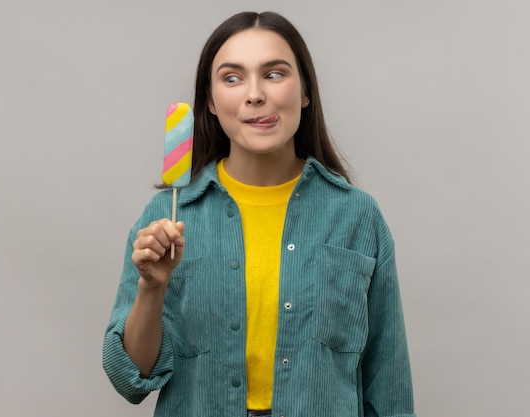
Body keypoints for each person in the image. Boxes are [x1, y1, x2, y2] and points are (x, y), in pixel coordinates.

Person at [103, 11, 415, 417]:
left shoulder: (357, 216)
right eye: (232, 78)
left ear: (305, 92)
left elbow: (388, 384)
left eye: (274, 74)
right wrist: (152, 287)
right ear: (211, 102)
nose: (254, 94)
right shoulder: (167, 216)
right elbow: (129, 378)